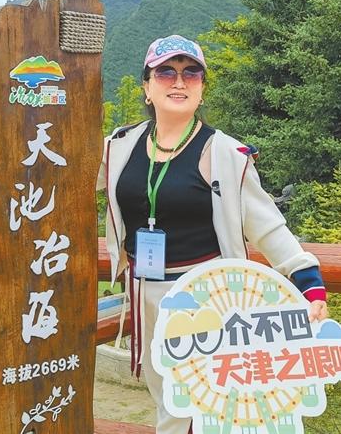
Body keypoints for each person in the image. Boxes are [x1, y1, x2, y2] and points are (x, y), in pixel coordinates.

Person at [97, 35, 329, 434]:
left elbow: (266, 223)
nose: (179, 81)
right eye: (165, 72)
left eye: (191, 73)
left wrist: (307, 279)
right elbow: (66, 178)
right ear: (147, 87)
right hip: (144, 290)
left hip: (208, 295)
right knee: (166, 395)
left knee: (203, 404)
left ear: (202, 89)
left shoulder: (225, 154)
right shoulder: (119, 146)